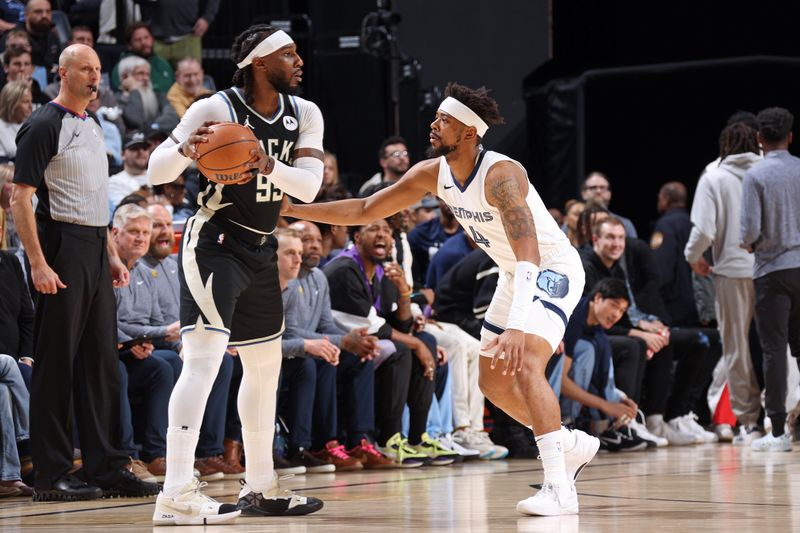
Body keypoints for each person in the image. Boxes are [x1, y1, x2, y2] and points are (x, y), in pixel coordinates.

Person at [284, 82, 600, 516]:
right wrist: (294, 209)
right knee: (493, 382)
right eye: (436, 117)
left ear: (469, 132)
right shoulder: (433, 173)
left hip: (549, 270)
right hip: (515, 273)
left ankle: (559, 487)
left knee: (525, 360)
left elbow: (529, 251)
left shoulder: (501, 175)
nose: (433, 125)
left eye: (443, 120)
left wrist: (518, 324)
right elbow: (363, 210)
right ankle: (567, 443)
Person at [147, 24, 326, 524]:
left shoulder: (305, 113)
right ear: (260, 62)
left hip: (261, 248)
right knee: (202, 362)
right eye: (289, 54)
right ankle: (176, 492)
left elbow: (308, 189)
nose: (299, 61)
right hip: (214, 242)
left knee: (265, 371)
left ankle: (261, 485)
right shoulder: (214, 109)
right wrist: (186, 151)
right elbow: (155, 172)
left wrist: (263, 162)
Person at [9, 44, 158, 501]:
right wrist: (37, 261)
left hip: (95, 245)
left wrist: (111, 253)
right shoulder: (42, 124)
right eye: (86, 70)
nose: (95, 78)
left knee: (101, 365)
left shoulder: (94, 124)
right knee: (56, 364)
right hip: (61, 247)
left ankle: (108, 465)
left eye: (98, 70)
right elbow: (20, 198)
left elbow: (95, 197)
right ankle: (51, 474)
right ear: (63, 73)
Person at [685, 122, 763, 445]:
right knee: (783, 346)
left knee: (736, 349)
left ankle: (749, 422)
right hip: (774, 268)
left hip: (731, 271)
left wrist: (693, 257)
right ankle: (785, 414)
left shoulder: (713, 175)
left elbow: (703, 230)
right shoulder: (771, 170)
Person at [741, 107, 800, 452]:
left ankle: (778, 433)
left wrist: (746, 242)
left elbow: (749, 229)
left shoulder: (756, 175)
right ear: (791, 136)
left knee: (774, 351)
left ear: (759, 139)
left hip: (772, 271)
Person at [111, 23, 174, 94]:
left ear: (152, 39)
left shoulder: (163, 63)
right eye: (138, 40)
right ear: (129, 45)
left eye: (146, 37)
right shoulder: (122, 66)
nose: (143, 42)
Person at [580, 172, 638, 238]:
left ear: (609, 194)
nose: (598, 191)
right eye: (593, 187)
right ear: (583, 193)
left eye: (602, 187)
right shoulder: (573, 222)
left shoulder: (625, 224)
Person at [0, 80, 32, 160]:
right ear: (12, 104)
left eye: (31, 101)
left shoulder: (33, 124)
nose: (31, 106)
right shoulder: (1, 127)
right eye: (26, 102)